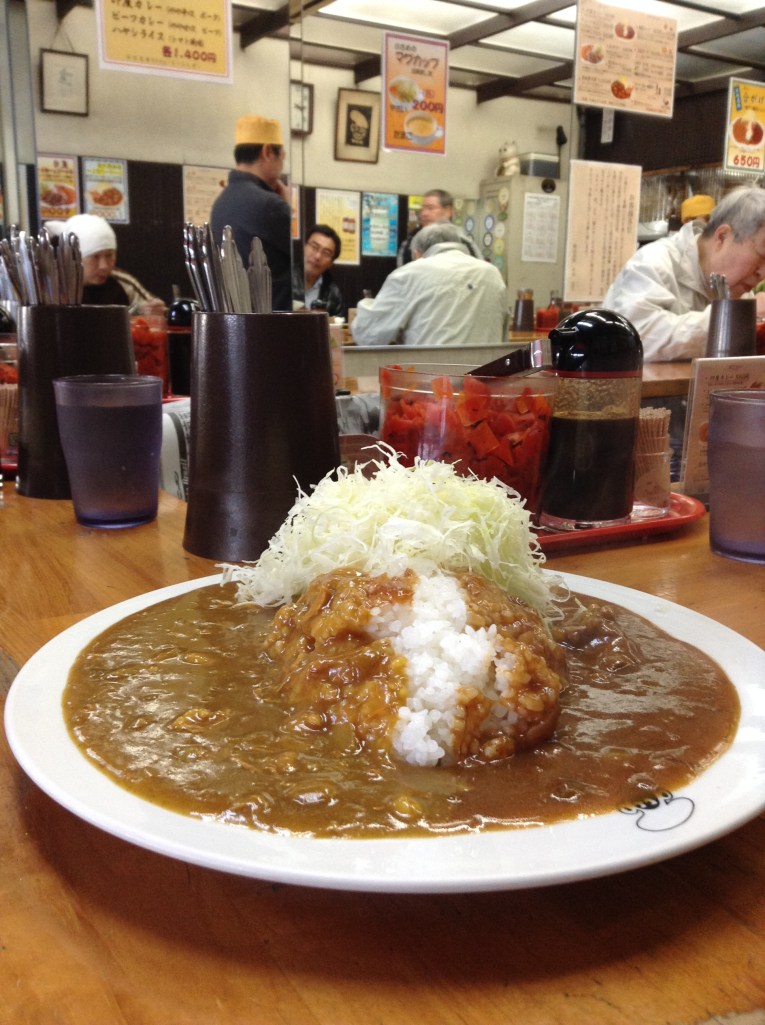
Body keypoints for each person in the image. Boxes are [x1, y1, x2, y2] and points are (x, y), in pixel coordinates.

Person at [603, 185, 765, 362]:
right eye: (762, 256)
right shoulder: (654, 264)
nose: (762, 273)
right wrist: (730, 318)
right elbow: (635, 337)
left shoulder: (738, 289)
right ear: (722, 237)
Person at [351, 222, 508, 348]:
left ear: (417, 253)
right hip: (485, 383)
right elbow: (502, 336)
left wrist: (366, 305)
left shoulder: (410, 273)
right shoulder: (492, 273)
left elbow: (368, 336)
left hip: (429, 383)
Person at [210, 114, 292, 312]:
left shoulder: (221, 203)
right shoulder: (270, 204)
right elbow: (303, 261)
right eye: (282, 156)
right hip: (271, 324)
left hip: (234, 321)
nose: (282, 167)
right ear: (267, 152)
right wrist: (290, 207)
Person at [55, 214, 164, 312]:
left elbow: (152, 310)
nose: (104, 266)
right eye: (95, 257)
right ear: (74, 258)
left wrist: (153, 312)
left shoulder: (123, 282)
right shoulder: (53, 286)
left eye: (109, 255)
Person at [292, 223, 346, 318]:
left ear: (331, 263)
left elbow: (338, 328)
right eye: (314, 247)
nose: (317, 256)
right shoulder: (284, 281)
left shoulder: (334, 294)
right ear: (304, 247)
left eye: (326, 253)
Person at [397, 189, 454, 266]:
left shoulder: (461, 241)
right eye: (422, 209)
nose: (424, 213)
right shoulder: (411, 241)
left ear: (448, 211)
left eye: (430, 208)